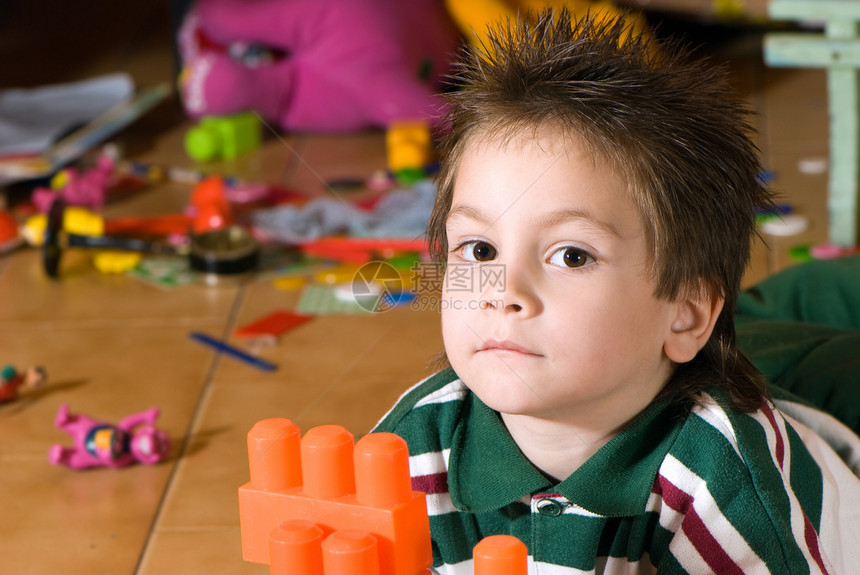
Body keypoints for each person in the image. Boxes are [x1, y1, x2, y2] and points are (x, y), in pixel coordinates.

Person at [373, 9, 860, 574]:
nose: (502, 293)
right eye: (480, 250)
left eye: (572, 256)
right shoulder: (414, 445)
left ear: (684, 313)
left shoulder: (725, 481)